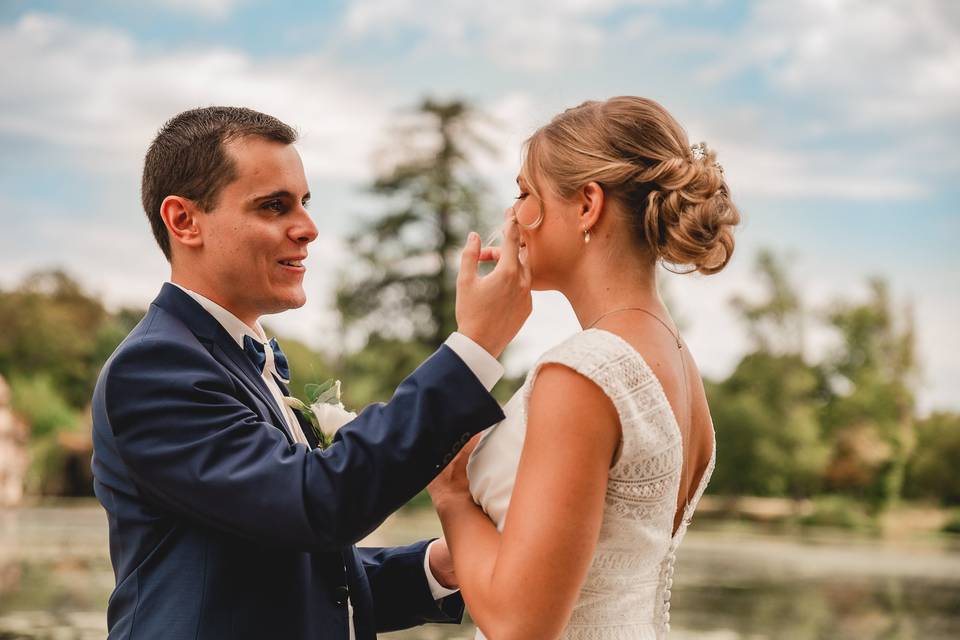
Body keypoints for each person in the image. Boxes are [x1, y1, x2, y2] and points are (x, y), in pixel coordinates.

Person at [90, 106, 532, 640]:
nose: (308, 228)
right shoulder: (154, 368)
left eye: (303, 203)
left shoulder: (242, 359)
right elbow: (318, 503)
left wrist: (435, 567)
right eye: (274, 207)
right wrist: (475, 348)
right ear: (185, 220)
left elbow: (291, 576)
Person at [427, 96, 741, 639]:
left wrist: (453, 496)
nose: (512, 218)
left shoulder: (584, 371)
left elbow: (518, 623)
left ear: (587, 205)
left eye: (525, 193)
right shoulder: (679, 366)